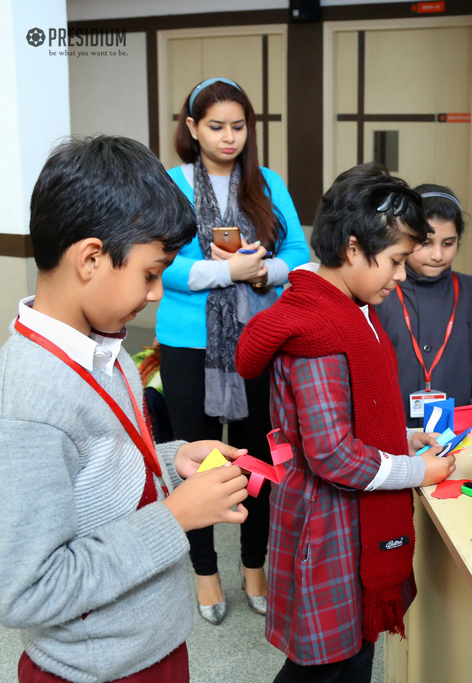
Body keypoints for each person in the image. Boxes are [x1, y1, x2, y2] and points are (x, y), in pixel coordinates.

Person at [0, 136, 250, 683]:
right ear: (91, 258)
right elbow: (26, 590)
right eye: (149, 273)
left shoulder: (101, 351)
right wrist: (176, 516)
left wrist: (170, 459)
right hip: (94, 669)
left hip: (151, 646)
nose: (157, 292)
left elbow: (94, 473)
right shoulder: (30, 404)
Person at [235, 163, 456, 683]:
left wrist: (399, 437)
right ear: (354, 248)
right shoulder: (318, 330)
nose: (402, 275)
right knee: (324, 669)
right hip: (327, 525)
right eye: (396, 261)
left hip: (347, 519)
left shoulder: (347, 307)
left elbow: (349, 418)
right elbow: (332, 453)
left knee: (352, 658)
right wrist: (417, 471)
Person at [157, 77, 310, 623]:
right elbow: (158, 259)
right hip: (187, 344)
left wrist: (265, 270)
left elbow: (298, 249)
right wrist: (225, 272)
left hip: (256, 341)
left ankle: (253, 565)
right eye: (216, 127)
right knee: (195, 463)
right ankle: (204, 573)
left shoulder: (267, 182)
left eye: (238, 127)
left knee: (257, 460)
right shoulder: (169, 184)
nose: (228, 138)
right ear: (193, 128)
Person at [377, 184, 472, 427]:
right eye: (426, 243)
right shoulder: (381, 292)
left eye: (448, 243)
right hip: (393, 434)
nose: (438, 255)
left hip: (463, 432)